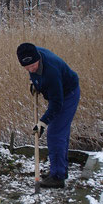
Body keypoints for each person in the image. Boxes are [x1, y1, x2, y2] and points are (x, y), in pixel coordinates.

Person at [17, 43, 80, 189]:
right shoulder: (31, 53)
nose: (30, 69)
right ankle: (59, 170)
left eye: (33, 66)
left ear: (38, 58)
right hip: (58, 93)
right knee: (59, 134)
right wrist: (35, 83)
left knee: (55, 134)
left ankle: (58, 177)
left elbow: (57, 104)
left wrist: (42, 123)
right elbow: (34, 72)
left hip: (68, 95)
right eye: (26, 68)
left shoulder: (51, 70)